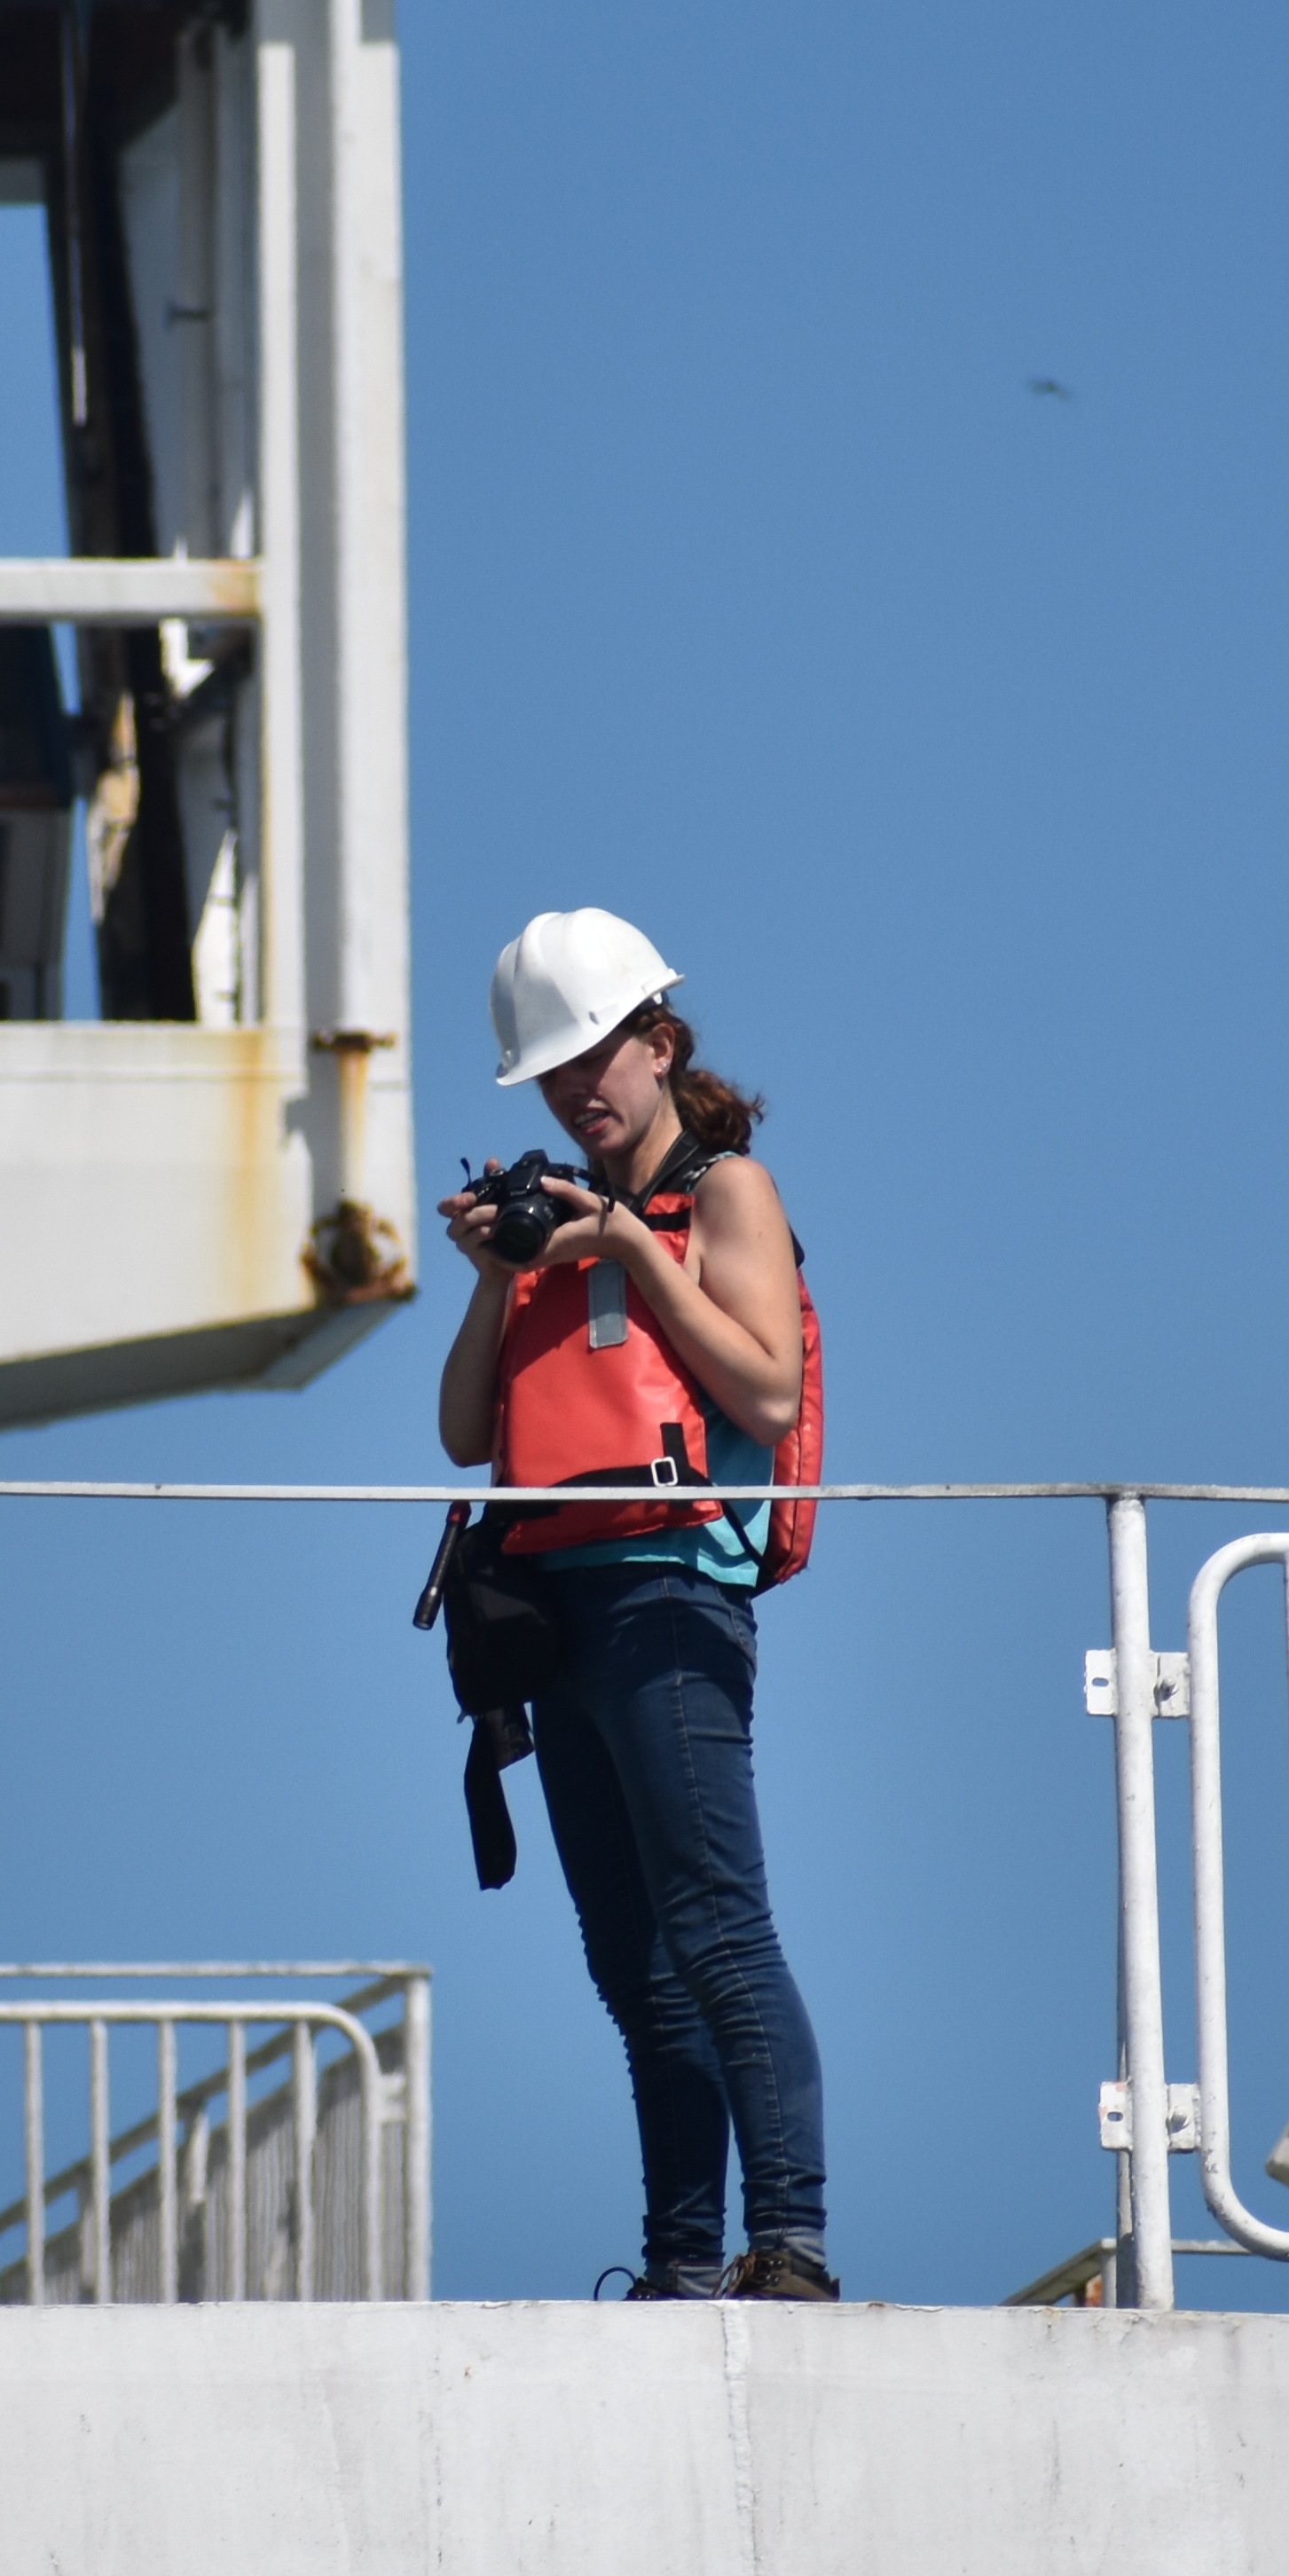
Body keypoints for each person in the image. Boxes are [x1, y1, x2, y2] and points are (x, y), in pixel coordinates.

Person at [434, 907, 833, 2303]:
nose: (573, 1091)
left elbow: (766, 1392)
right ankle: (680, 2263)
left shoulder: (727, 1194)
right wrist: (500, 1277)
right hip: (557, 1616)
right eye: (550, 1073)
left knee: (717, 1928)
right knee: (633, 1966)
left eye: (593, 1057)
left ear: (659, 1044)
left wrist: (629, 1249)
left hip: (672, 1596)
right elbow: (463, 1433)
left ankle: (789, 2244)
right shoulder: (552, 1225)